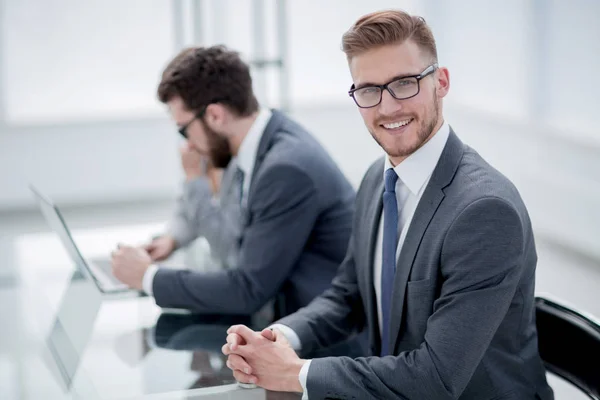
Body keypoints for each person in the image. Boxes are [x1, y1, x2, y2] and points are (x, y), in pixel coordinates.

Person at [222, 9, 554, 400]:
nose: (387, 107)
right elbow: (348, 297)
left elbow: (435, 378)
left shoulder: (484, 212)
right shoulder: (375, 180)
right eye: (369, 90)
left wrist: (297, 374)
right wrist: (278, 338)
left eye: (405, 84)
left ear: (440, 82)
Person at [110, 46, 358, 327]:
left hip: (323, 342)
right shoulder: (254, 143)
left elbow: (247, 288)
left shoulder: (285, 170)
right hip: (283, 317)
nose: (187, 144)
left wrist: (147, 277)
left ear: (215, 116)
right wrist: (172, 239)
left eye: (184, 129)